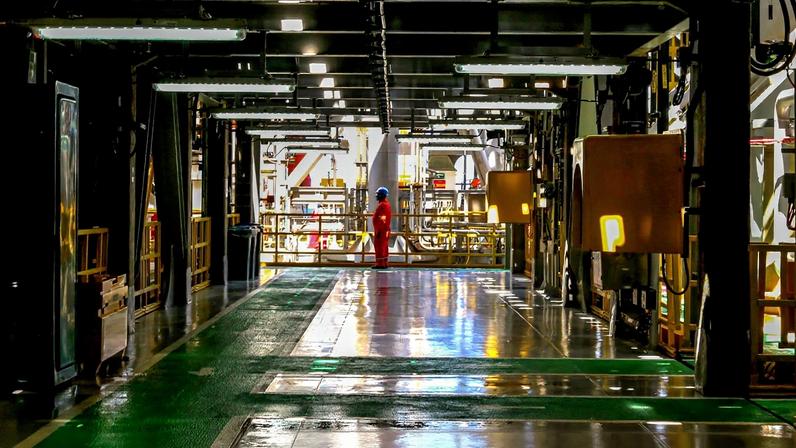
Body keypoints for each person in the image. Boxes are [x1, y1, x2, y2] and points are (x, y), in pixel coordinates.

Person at [372, 186, 392, 269]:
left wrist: (379, 230)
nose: (376, 196)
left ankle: (380, 264)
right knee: (384, 246)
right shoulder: (386, 204)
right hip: (384, 229)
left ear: (381, 195)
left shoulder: (382, 205)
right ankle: (384, 262)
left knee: (379, 246)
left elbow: (382, 218)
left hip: (381, 230)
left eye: (377, 194)